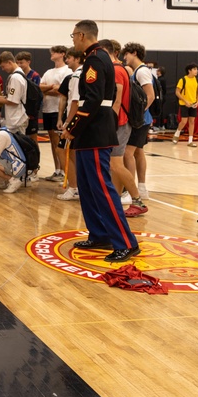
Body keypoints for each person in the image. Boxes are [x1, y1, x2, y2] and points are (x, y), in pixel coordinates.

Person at [63, 20, 139, 263]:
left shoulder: (96, 59)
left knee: (103, 189)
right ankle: (99, 234)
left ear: (83, 35)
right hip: (90, 131)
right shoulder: (93, 58)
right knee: (87, 188)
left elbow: (93, 100)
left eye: (74, 35)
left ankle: (126, 243)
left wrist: (72, 127)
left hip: (94, 131)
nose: (72, 39)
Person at [99, 40, 143, 215]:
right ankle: (115, 200)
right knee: (114, 165)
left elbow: (116, 102)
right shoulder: (118, 69)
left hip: (119, 123)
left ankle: (137, 200)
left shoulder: (116, 70)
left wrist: (110, 125)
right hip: (120, 122)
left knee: (115, 164)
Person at [120, 43, 155, 208]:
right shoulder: (140, 71)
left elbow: (150, 95)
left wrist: (138, 114)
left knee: (127, 153)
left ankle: (129, 190)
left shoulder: (141, 71)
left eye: (126, 54)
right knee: (138, 152)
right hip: (143, 119)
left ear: (134, 53)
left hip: (140, 119)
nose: (124, 58)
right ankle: (141, 188)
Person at [40, 45, 71, 182]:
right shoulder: (48, 72)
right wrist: (53, 87)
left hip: (58, 110)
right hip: (48, 108)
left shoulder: (67, 70)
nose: (51, 54)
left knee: (60, 143)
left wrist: (50, 89)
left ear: (62, 54)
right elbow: (41, 88)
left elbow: (63, 91)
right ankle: (57, 170)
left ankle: (66, 172)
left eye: (55, 52)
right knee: (53, 142)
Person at [56, 50, 84, 201]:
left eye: (69, 58)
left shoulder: (77, 76)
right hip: (78, 119)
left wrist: (68, 124)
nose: (67, 60)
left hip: (75, 119)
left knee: (63, 150)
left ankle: (73, 187)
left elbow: (75, 101)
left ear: (78, 58)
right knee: (71, 152)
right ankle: (76, 186)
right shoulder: (80, 74)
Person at [0, 51, 28, 135]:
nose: (3, 69)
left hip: (17, 120)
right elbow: (12, 97)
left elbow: (13, 101)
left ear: (9, 62)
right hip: (15, 119)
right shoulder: (19, 74)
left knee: (18, 147)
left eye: (3, 66)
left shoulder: (16, 77)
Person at [173, 63, 198, 146]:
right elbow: (177, 92)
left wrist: (197, 102)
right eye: (194, 69)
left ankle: (190, 140)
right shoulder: (183, 80)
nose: (196, 71)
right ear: (189, 70)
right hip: (184, 104)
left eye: (197, 69)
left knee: (192, 121)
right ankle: (177, 133)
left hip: (193, 104)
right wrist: (185, 101)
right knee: (183, 121)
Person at [15, 51, 41, 137]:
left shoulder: (35, 76)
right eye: (17, 63)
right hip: (20, 111)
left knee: (32, 137)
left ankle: (36, 151)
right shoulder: (18, 75)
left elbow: (37, 96)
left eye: (21, 63)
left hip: (31, 112)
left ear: (28, 62)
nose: (19, 65)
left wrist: (33, 112)